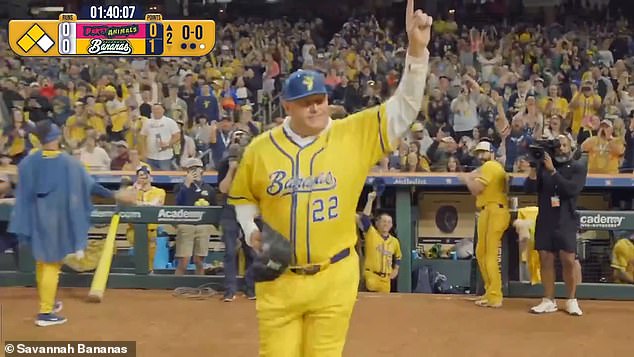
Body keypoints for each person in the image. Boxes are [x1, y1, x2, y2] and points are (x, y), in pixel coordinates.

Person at [228, 2, 432, 355]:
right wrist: (251, 231)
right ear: (286, 107)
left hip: (334, 276)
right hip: (279, 280)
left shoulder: (353, 134)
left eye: (320, 99)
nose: (315, 107)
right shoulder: (260, 149)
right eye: (305, 101)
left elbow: (404, 108)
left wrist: (416, 53)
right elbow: (243, 198)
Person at [8, 120, 135, 327]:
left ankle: (48, 302)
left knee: (42, 261)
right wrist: (115, 195)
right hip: (55, 218)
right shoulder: (67, 162)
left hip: (37, 216)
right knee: (51, 263)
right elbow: (90, 186)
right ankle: (45, 313)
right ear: (56, 137)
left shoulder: (30, 161)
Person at [524, 133, 586, 316]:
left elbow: (570, 190)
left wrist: (553, 171)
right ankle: (548, 300)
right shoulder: (543, 167)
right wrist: (534, 168)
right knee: (546, 259)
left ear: (571, 148)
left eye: (564, 145)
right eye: (558, 146)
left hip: (566, 218)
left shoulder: (577, 167)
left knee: (568, 260)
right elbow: (528, 189)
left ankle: (571, 300)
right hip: (546, 218)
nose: (561, 149)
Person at [460, 139, 510, 308]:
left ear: (492, 153)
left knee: (489, 254)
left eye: (484, 152)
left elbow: (476, 189)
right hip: (488, 210)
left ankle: (495, 296)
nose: (481, 156)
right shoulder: (488, 167)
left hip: (495, 210)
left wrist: (467, 179)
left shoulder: (491, 166)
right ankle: (489, 292)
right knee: (481, 252)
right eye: (479, 153)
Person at [174, 158, 216, 275]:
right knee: (184, 261)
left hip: (203, 226)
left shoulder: (209, 189)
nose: (195, 172)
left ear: (202, 170)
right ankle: (175, 287)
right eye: (191, 169)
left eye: (197, 169)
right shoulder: (180, 187)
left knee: (199, 261)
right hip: (186, 225)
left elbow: (215, 208)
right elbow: (177, 204)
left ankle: (200, 286)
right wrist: (186, 185)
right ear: (187, 171)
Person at [357, 190, 402, 293]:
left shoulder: (394, 241)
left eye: (389, 222)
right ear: (377, 223)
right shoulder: (371, 233)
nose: (386, 224)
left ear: (392, 225)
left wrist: (396, 269)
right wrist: (370, 200)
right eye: (384, 221)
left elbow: (399, 256)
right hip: (371, 276)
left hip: (386, 280)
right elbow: (364, 219)